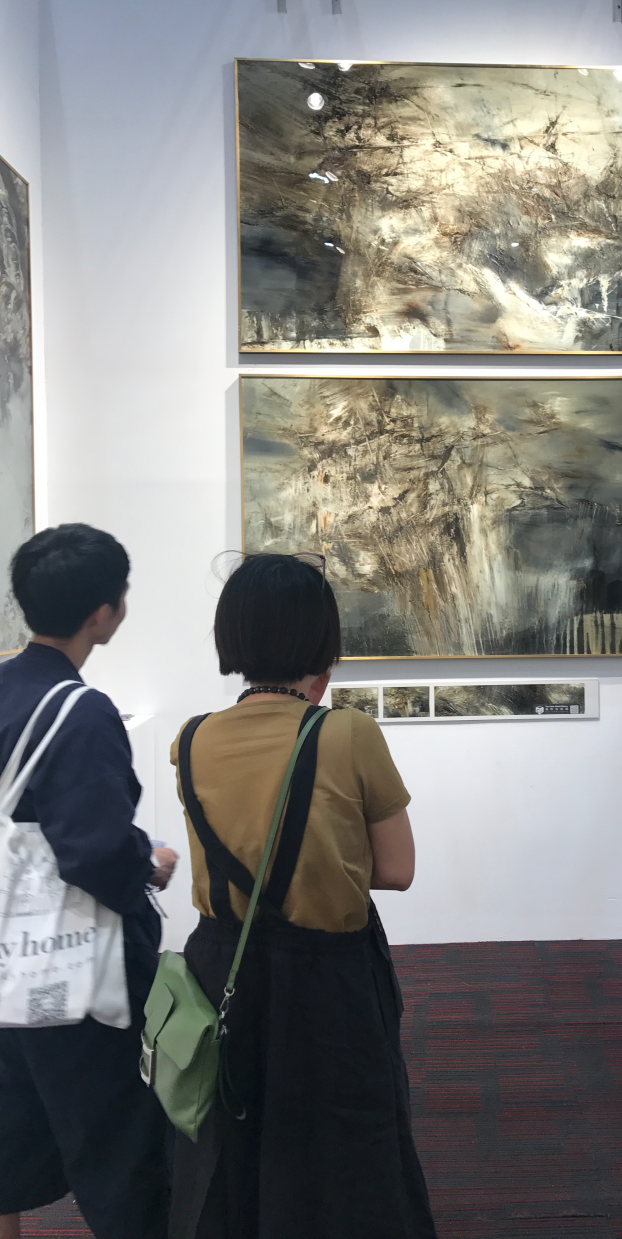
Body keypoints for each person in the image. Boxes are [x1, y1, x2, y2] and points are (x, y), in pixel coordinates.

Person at [168, 552, 437, 1239]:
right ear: (323, 640)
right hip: (326, 976)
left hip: (219, 968)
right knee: (342, 1141)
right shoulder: (347, 732)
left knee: (227, 1135)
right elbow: (398, 868)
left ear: (233, 635)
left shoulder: (191, 739)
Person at [0, 524, 178, 1239]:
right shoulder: (82, 711)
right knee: (118, 1147)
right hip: (67, 971)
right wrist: (150, 864)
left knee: (10, 1129)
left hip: (4, 956)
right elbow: (96, 850)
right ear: (104, 613)